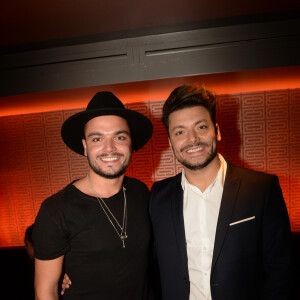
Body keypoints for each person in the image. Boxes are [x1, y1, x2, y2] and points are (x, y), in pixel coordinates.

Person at [149, 84, 293, 300]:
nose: (192, 139)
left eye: (201, 127)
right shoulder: (157, 196)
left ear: (217, 131)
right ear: (171, 142)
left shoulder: (261, 189)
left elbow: (281, 272)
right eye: (180, 132)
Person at [33, 91, 153, 300]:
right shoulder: (56, 209)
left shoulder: (141, 192)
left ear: (131, 144)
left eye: (120, 137)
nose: (109, 148)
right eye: (97, 138)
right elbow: (45, 292)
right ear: (85, 147)